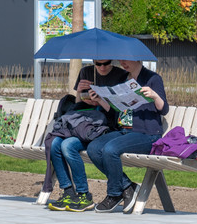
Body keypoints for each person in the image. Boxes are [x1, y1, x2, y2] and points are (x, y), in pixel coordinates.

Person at [86, 58, 169, 213]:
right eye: (121, 60)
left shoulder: (152, 78)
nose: (122, 63)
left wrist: (154, 96)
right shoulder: (124, 79)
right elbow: (115, 110)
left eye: (126, 60)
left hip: (147, 134)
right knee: (94, 148)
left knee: (110, 150)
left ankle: (114, 194)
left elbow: (164, 110)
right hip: (124, 131)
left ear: (138, 59)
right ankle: (127, 186)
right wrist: (100, 100)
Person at [47, 58, 127, 212]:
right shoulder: (86, 72)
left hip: (103, 127)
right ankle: (68, 192)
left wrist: (101, 101)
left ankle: (84, 194)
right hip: (83, 123)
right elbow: (78, 105)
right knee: (55, 143)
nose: (102, 67)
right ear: (93, 61)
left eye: (106, 63)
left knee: (67, 145)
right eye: (98, 64)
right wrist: (80, 93)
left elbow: (119, 113)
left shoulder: (121, 76)